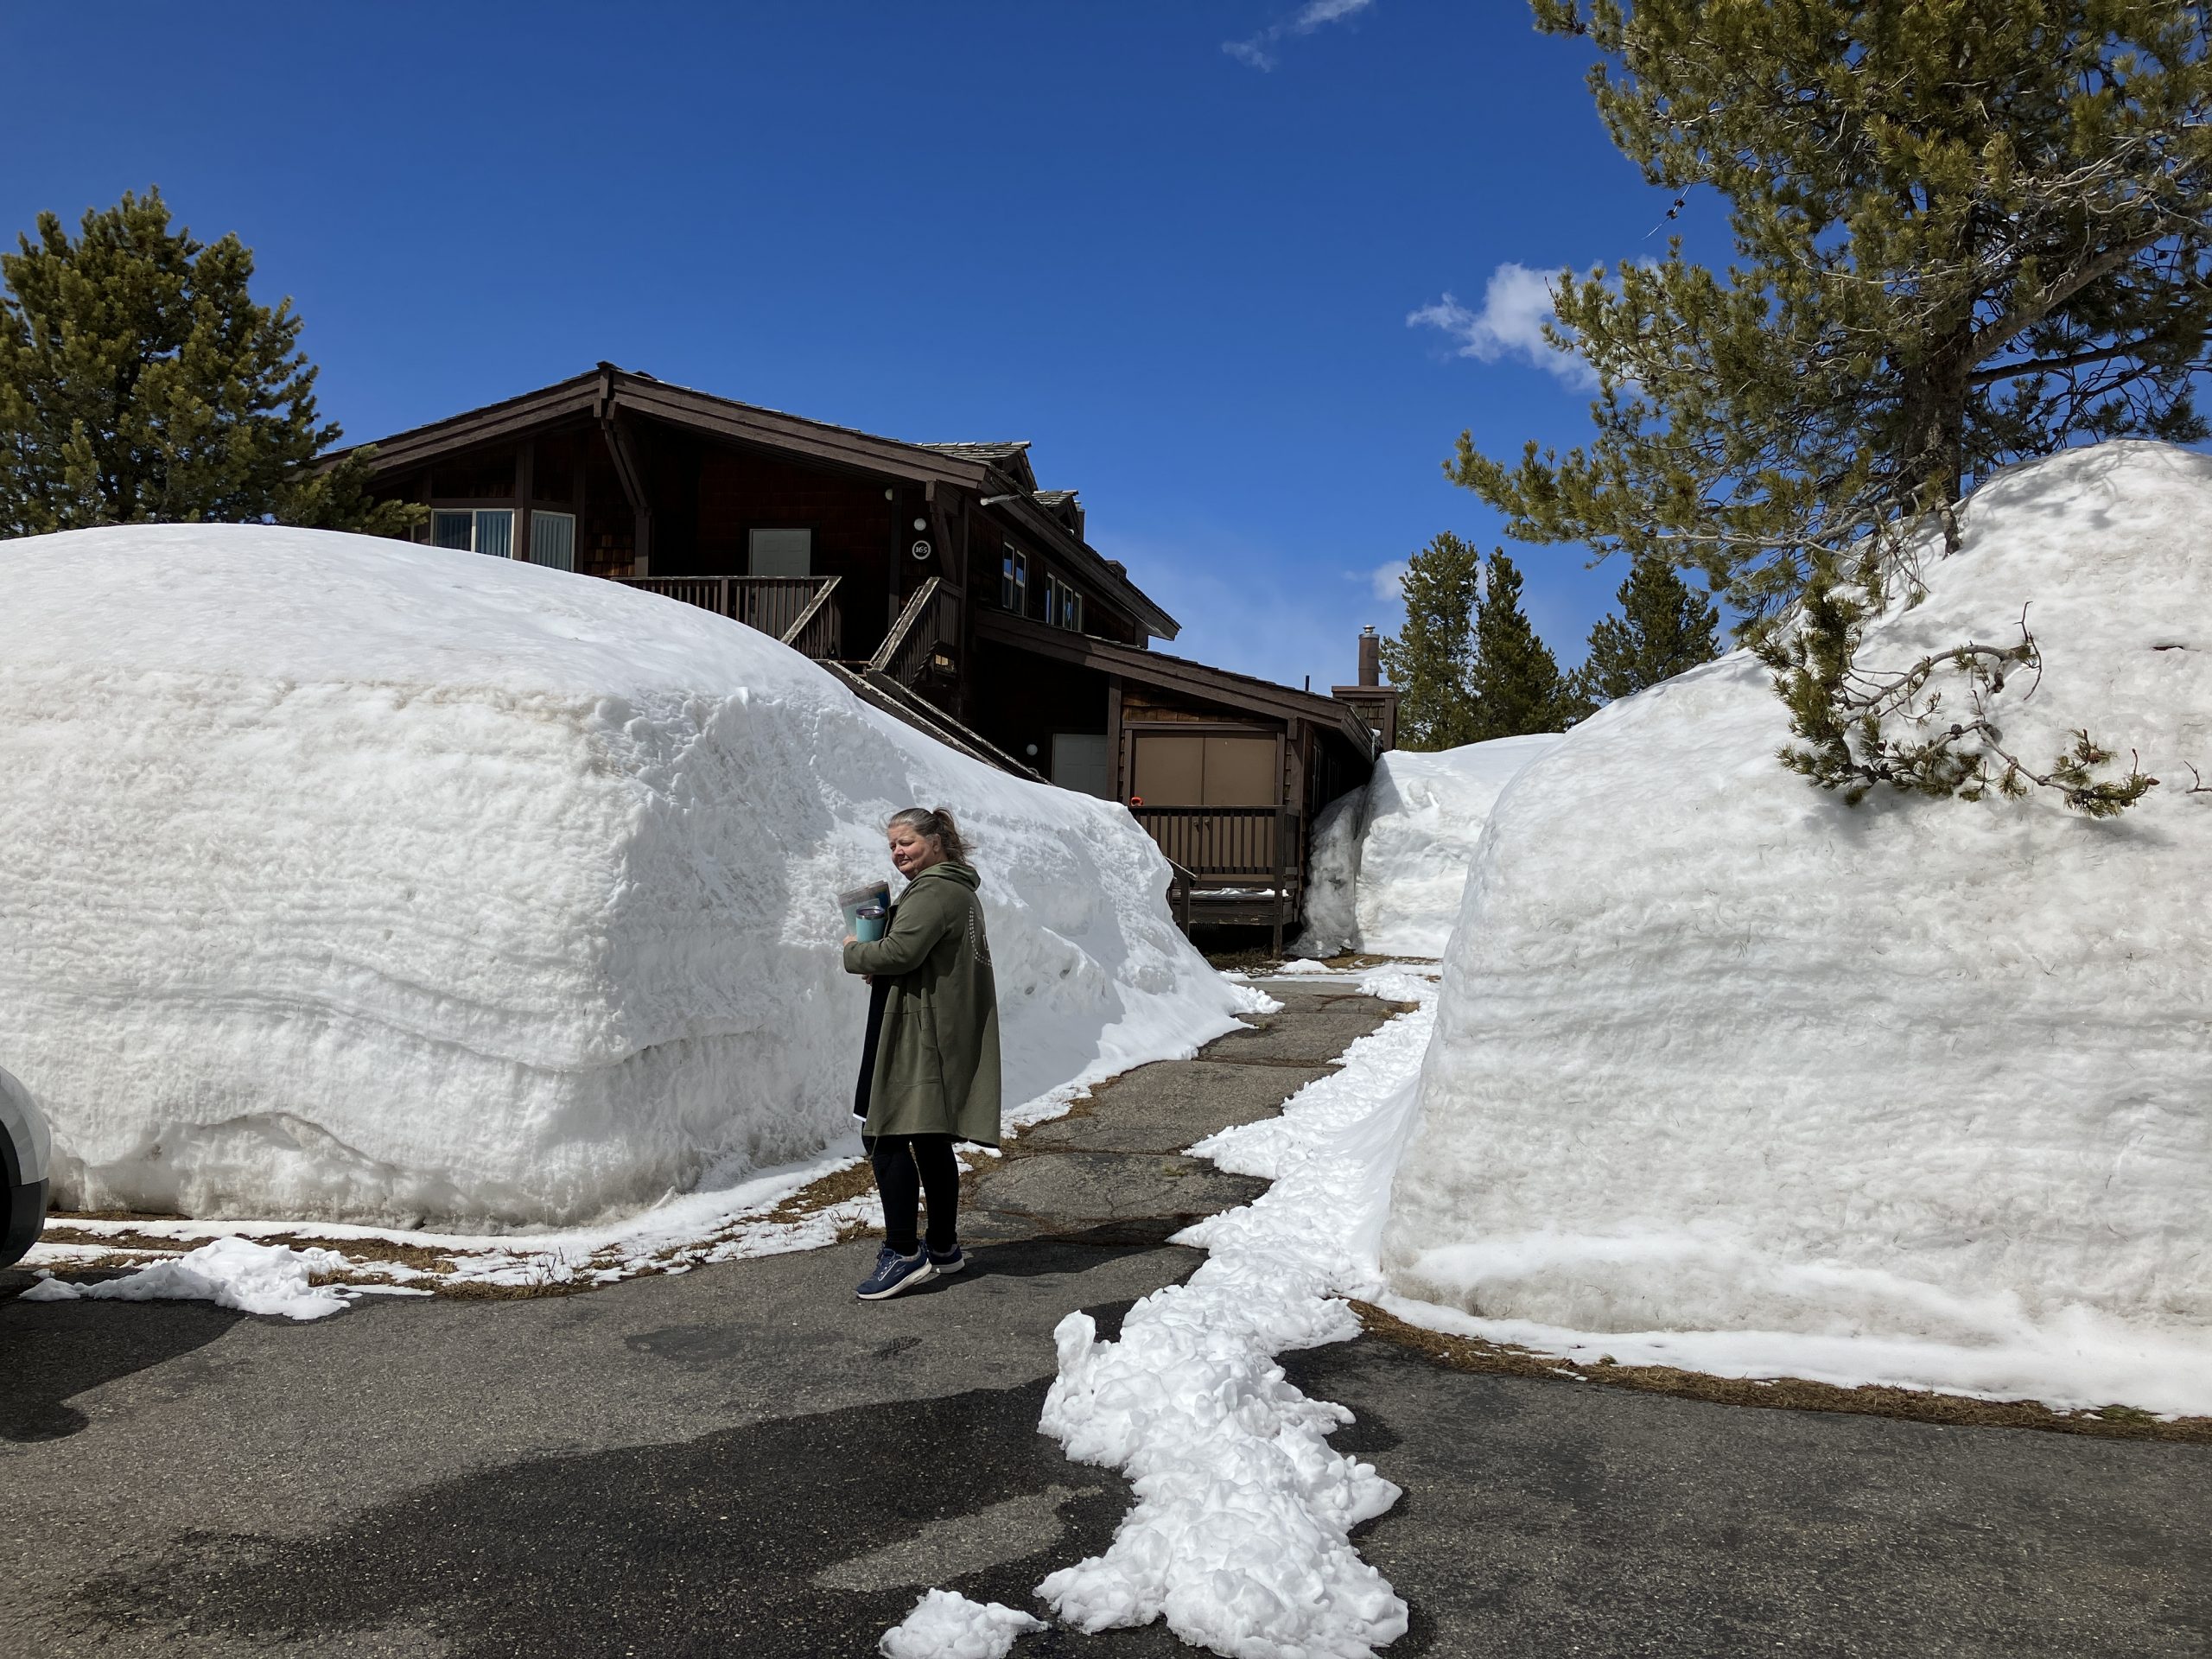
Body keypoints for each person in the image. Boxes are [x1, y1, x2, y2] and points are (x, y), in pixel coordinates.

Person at [842, 806, 1001, 1300]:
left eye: (906, 841)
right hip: (933, 1026)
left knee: (884, 1132)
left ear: (935, 841)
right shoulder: (957, 889)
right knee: (929, 1137)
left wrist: (854, 950)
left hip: (916, 1031)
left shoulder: (933, 891)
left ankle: (904, 1251)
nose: (897, 852)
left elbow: (901, 953)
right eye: (892, 845)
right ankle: (944, 1245)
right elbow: (918, 954)